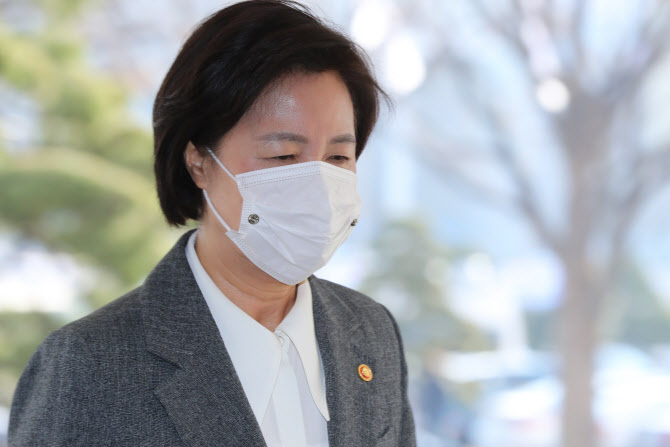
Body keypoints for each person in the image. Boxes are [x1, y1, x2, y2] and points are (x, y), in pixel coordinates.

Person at [8, 1, 416, 445]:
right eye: (283, 155)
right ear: (199, 161)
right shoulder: (89, 364)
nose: (317, 183)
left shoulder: (371, 332)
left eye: (338, 157)